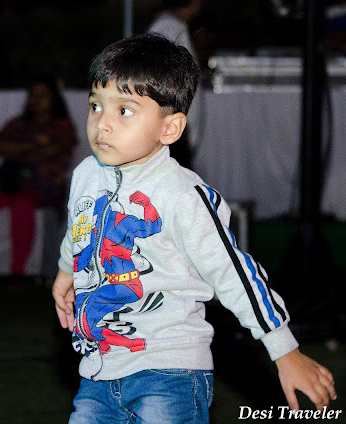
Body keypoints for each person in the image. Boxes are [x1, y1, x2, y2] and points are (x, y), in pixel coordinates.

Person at [51, 34, 337, 423]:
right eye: (96, 105)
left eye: (125, 110)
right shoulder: (86, 174)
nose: (102, 123)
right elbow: (79, 229)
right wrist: (67, 272)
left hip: (169, 372)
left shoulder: (182, 194)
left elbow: (234, 272)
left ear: (170, 128)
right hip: (98, 372)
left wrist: (283, 349)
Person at [0, 75, 77, 279]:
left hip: (41, 185)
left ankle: (18, 273)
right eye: (33, 94)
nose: (36, 99)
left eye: (43, 95)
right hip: (10, 179)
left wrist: (20, 150)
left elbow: (56, 148)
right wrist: (32, 148)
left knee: (22, 206)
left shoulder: (62, 125)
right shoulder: (18, 123)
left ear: (54, 99)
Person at [147, 0, 203, 169]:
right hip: (173, 131)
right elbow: (158, 80)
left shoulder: (175, 26)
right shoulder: (168, 28)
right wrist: (174, 117)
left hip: (176, 129)